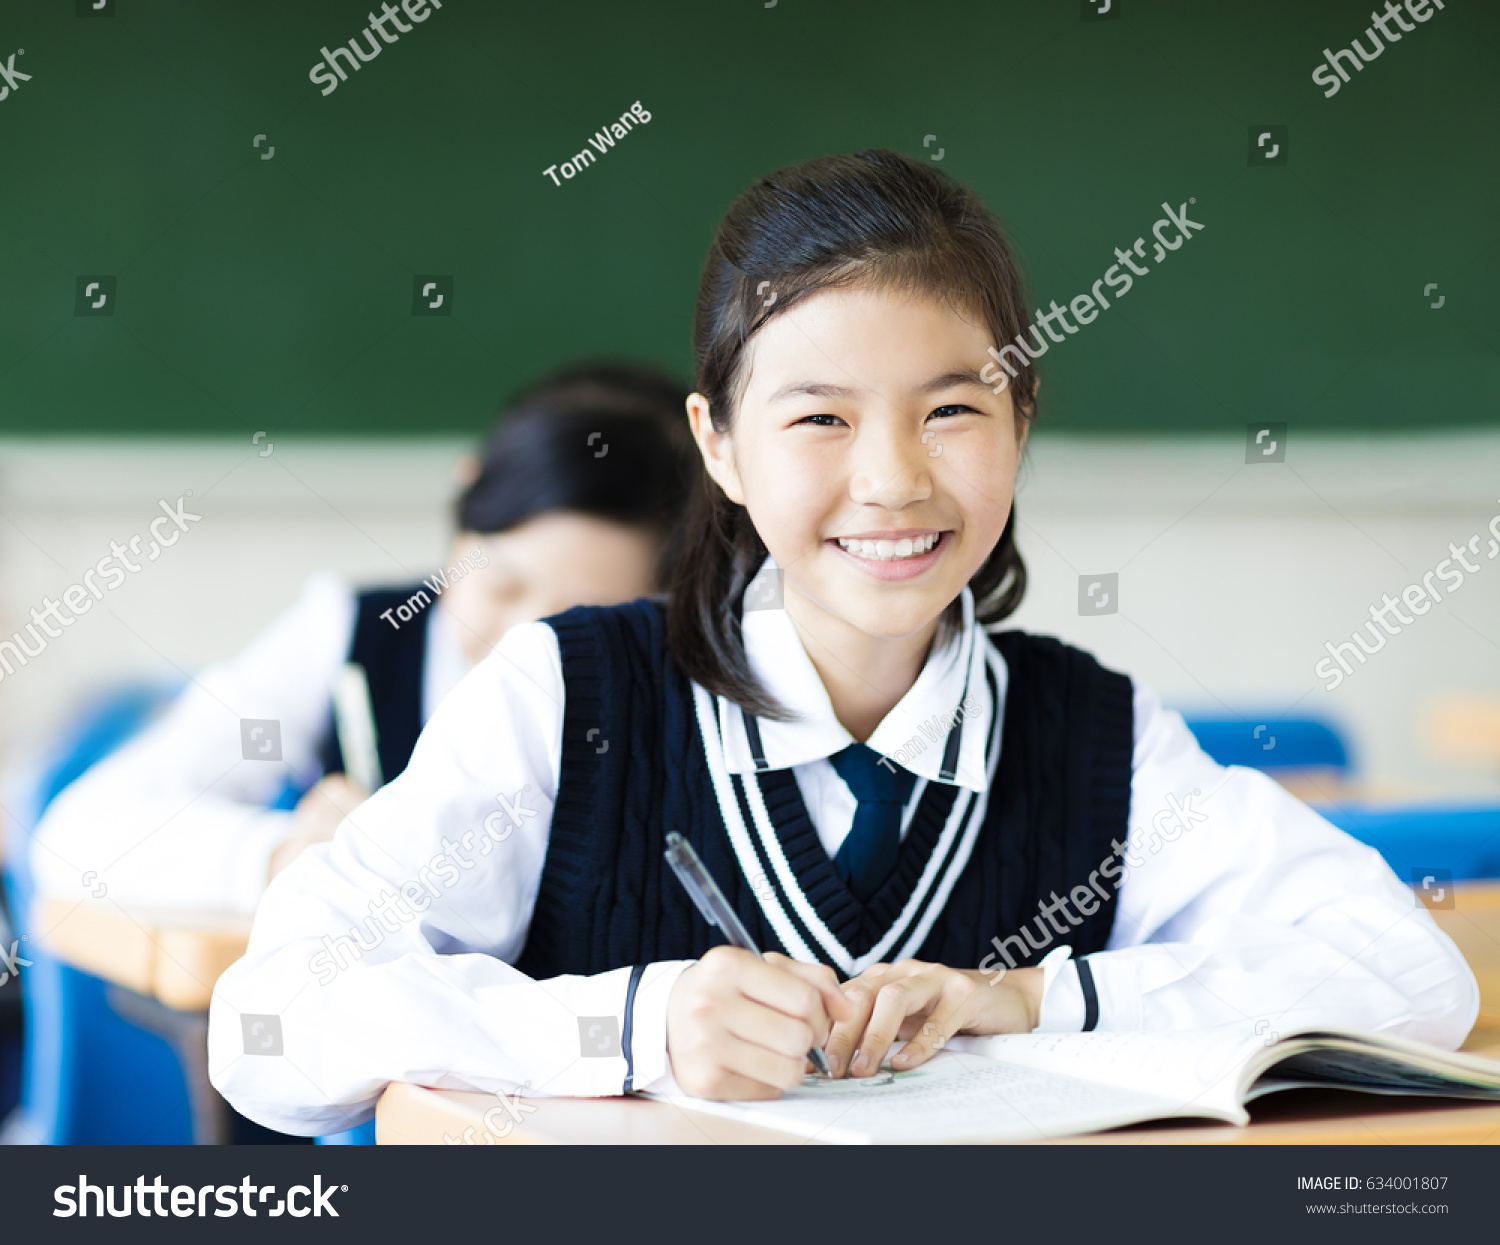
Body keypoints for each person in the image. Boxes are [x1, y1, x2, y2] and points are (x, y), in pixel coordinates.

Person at [209, 150, 1477, 1135]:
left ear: (1020, 422)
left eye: (951, 410)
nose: (892, 481)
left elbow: (1409, 976)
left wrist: (1027, 997)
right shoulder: (569, 695)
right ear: (720, 448)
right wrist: (637, 1025)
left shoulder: (1092, 734)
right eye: (820, 417)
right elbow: (270, 1024)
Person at [31, 362, 696, 915]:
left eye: (577, 630)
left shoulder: (681, 684)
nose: (522, 645)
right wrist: (285, 855)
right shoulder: (355, 635)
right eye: (501, 588)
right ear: (463, 506)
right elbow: (84, 832)